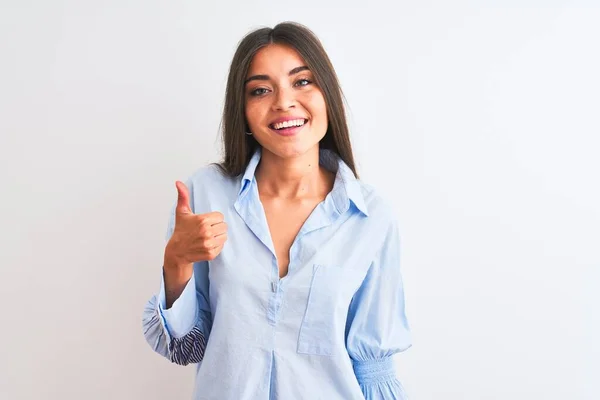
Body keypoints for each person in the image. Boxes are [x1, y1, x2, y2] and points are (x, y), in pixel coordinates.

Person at [142, 21, 412, 400]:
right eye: (261, 90)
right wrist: (176, 261)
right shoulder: (205, 194)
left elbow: (373, 368)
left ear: (327, 96)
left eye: (302, 82)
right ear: (244, 111)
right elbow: (184, 347)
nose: (284, 101)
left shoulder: (371, 217)